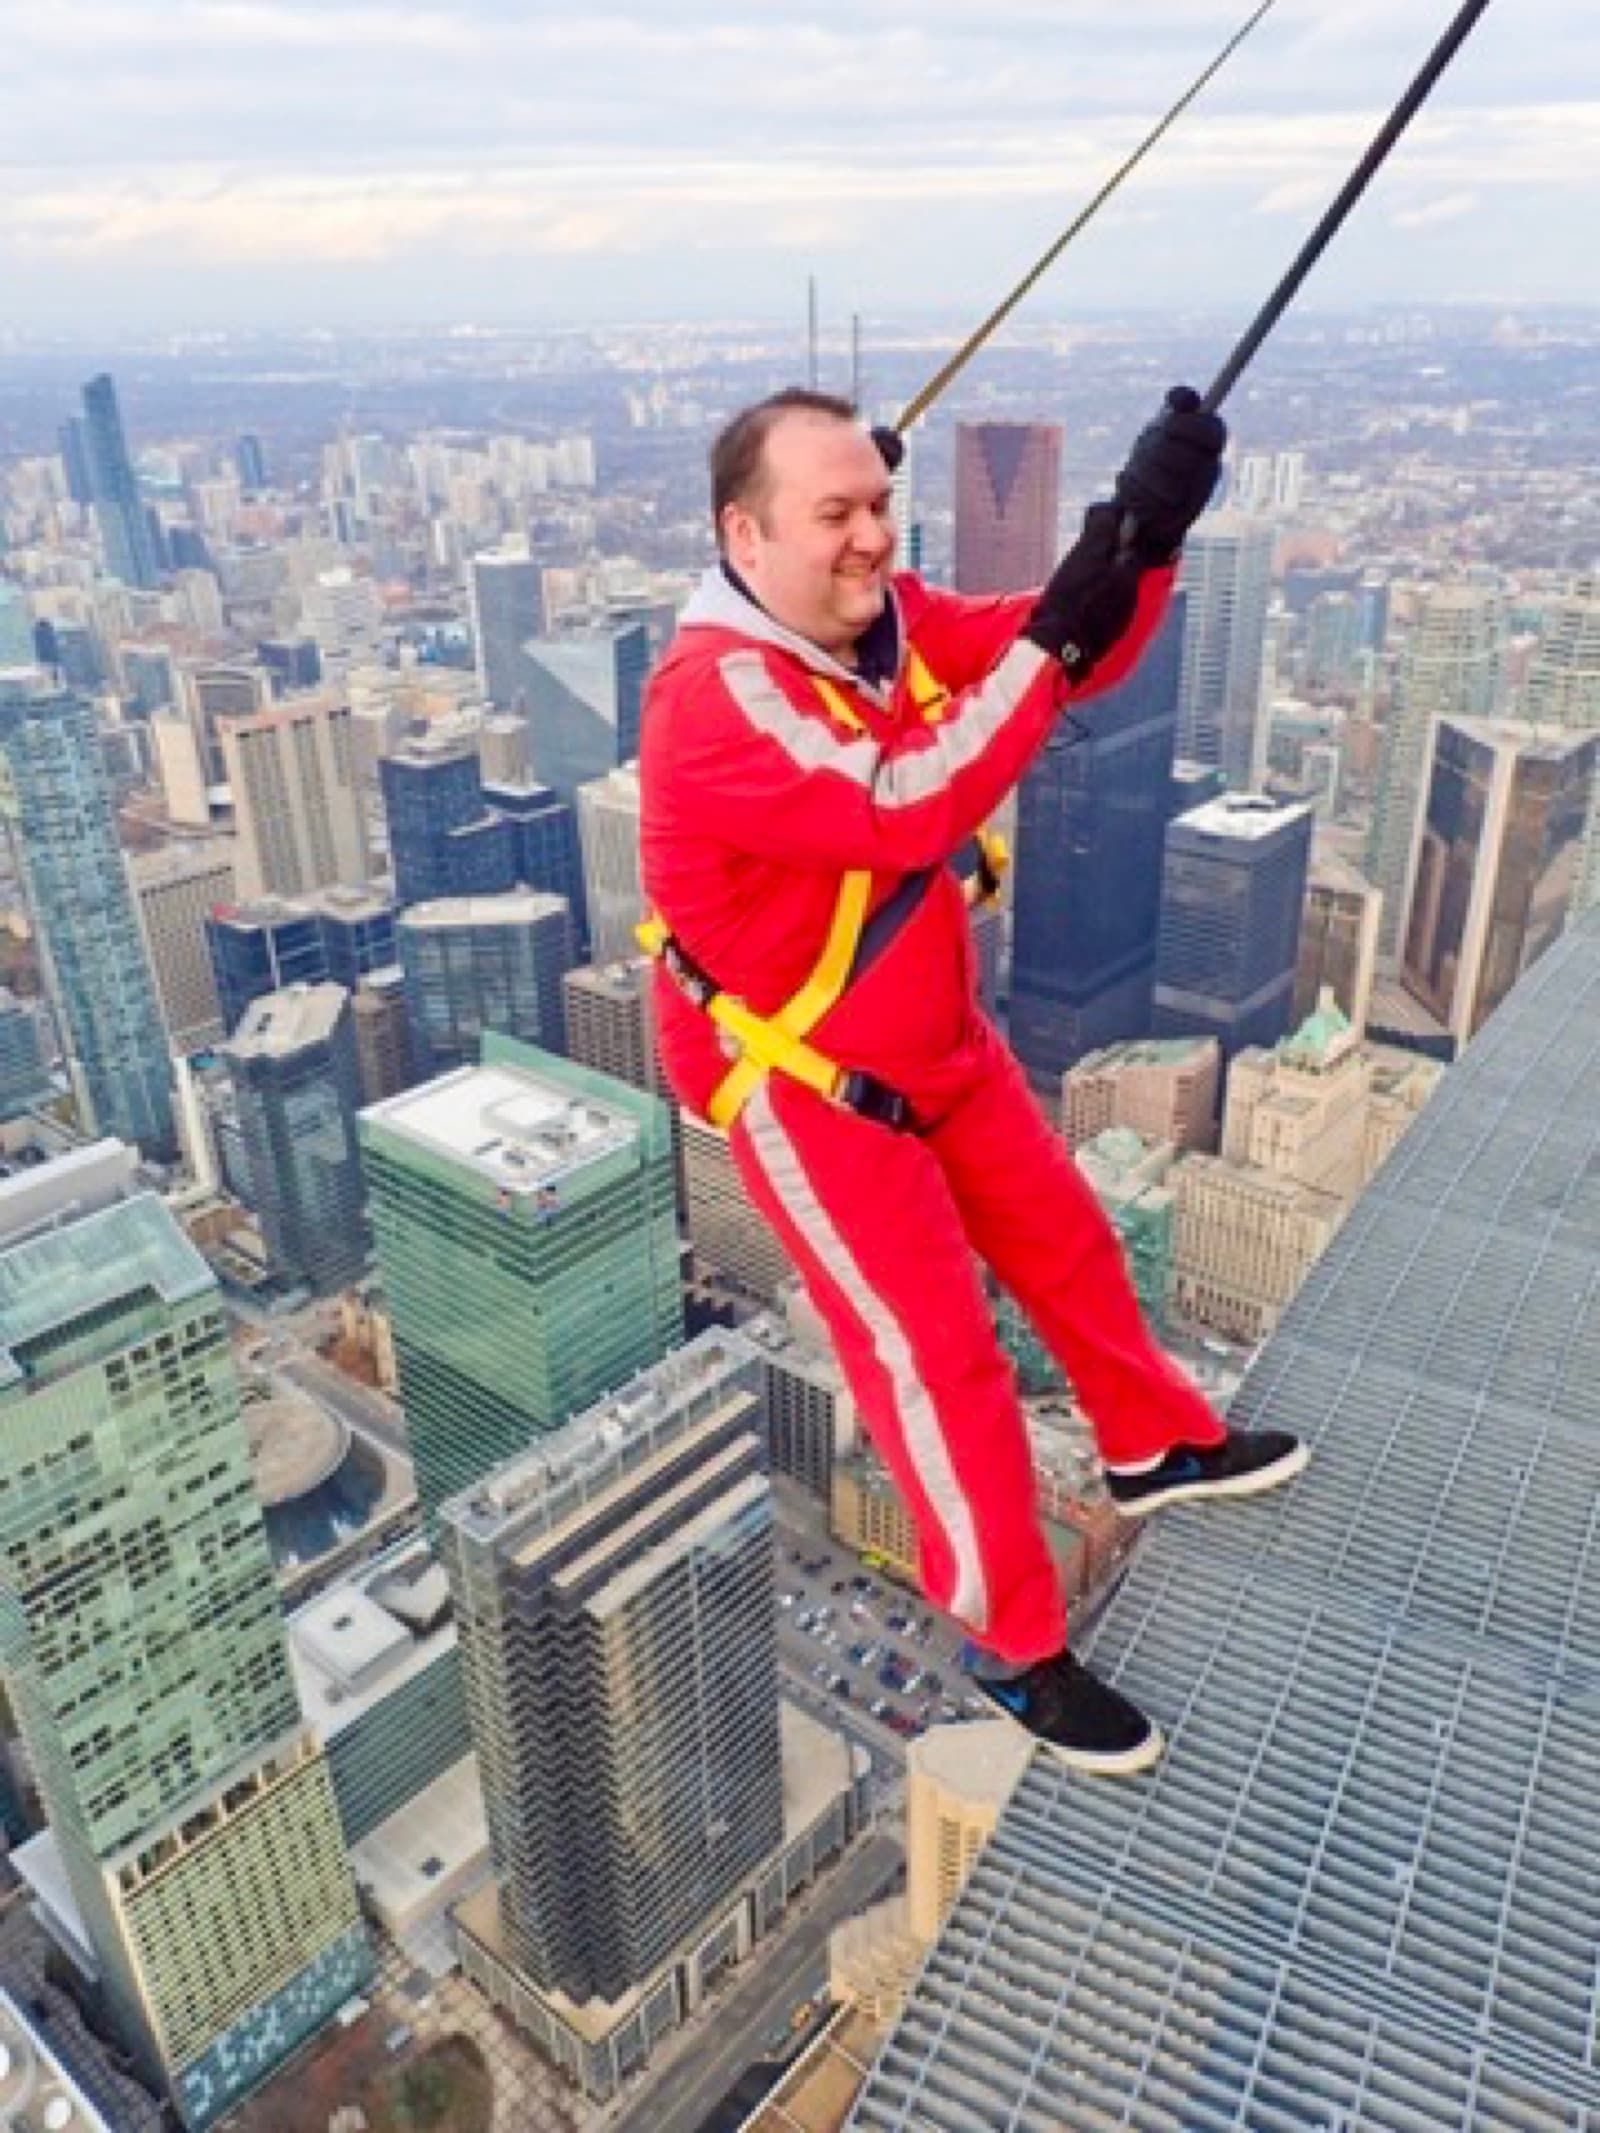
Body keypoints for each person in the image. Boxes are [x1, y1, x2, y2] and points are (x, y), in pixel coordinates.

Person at [639, 387, 1307, 1775]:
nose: (873, 537)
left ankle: (1153, 1441)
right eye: (838, 513)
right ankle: (1014, 1644)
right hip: (813, 1090)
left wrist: (1141, 540)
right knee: (938, 1361)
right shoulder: (717, 702)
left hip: (934, 1040)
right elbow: (906, 800)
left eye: (877, 505)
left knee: (1065, 1238)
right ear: (743, 534)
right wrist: (1063, 620)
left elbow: (1054, 663)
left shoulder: (876, 629)